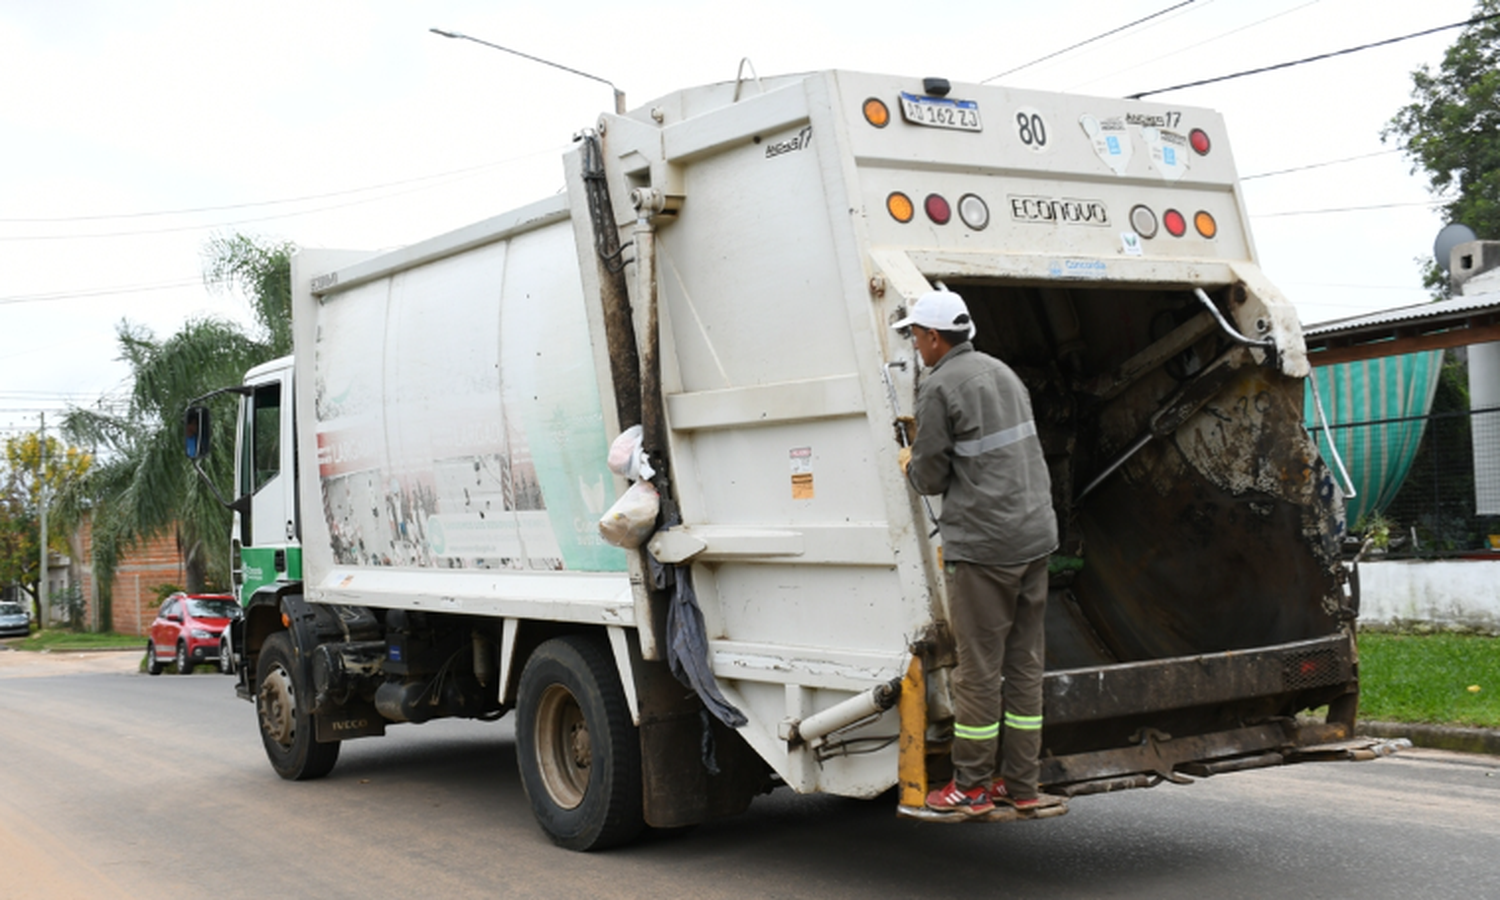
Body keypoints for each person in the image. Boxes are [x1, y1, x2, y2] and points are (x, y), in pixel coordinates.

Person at [892, 289, 1062, 818]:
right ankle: (1024, 784)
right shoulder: (1003, 373)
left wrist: (910, 462)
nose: (915, 345)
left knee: (980, 672)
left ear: (936, 338)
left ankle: (970, 787)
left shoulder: (940, 385)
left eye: (916, 335)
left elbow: (931, 476)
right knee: (1025, 665)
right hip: (1035, 538)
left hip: (987, 549)